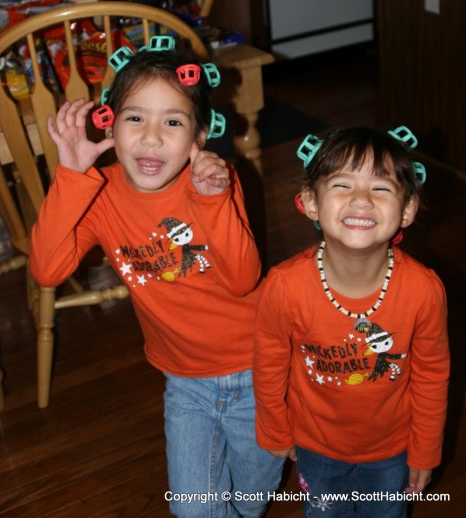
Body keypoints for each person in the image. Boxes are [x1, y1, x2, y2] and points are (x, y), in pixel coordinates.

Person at [30, 37, 284, 518]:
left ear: (198, 139)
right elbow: (47, 268)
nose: (150, 137)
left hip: (260, 371)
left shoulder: (211, 181)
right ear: (107, 124)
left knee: (252, 498)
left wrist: (214, 202)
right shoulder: (97, 192)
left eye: (172, 121)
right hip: (184, 380)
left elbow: (243, 279)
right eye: (134, 118)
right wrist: (69, 174)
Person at [253, 126, 449, 517]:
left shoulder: (424, 290)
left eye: (381, 189)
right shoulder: (285, 286)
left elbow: (432, 374)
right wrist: (274, 430)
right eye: (342, 185)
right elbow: (269, 363)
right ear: (309, 202)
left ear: (408, 210)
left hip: (393, 448)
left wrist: (426, 450)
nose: (361, 200)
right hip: (316, 444)